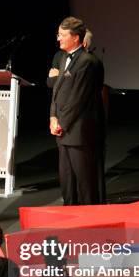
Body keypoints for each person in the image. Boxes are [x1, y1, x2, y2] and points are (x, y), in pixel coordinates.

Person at [49, 17, 105, 205]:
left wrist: (62, 123)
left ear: (75, 37)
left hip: (79, 131)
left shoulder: (87, 62)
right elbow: (57, 91)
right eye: (59, 34)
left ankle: (89, 221)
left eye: (63, 35)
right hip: (63, 130)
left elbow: (77, 99)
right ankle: (69, 214)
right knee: (67, 180)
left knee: (85, 182)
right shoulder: (64, 58)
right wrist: (53, 116)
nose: (59, 39)